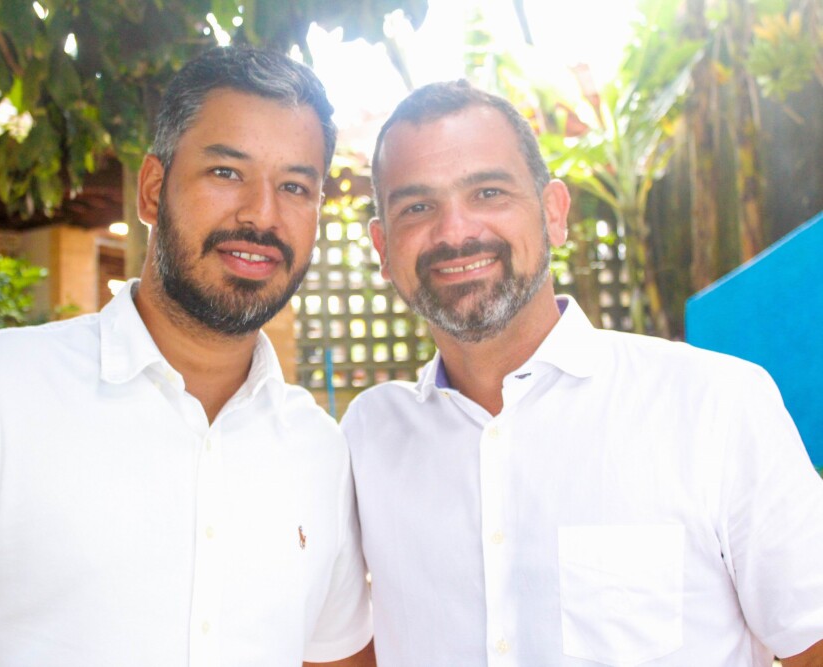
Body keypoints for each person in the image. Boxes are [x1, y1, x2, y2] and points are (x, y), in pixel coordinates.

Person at [0, 47, 374, 667]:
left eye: (295, 186)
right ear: (152, 190)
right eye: (226, 172)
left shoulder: (320, 451)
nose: (261, 214)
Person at [342, 79, 823, 667]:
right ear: (383, 246)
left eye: (489, 192)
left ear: (553, 213)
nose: (456, 231)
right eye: (417, 207)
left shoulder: (715, 404)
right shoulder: (367, 437)